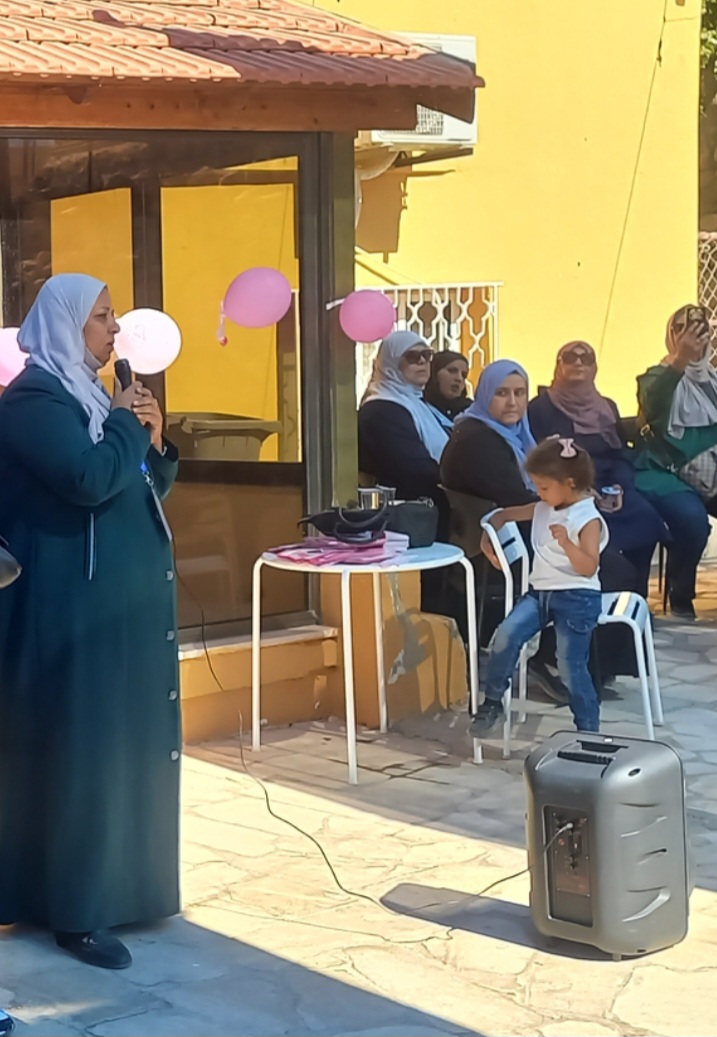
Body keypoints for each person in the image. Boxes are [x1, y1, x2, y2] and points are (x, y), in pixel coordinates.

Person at [0, 274, 181, 969]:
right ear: (66, 322)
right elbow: (85, 479)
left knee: (123, 750)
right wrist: (124, 425)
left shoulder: (91, 396)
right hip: (65, 612)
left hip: (114, 608)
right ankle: (75, 910)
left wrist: (153, 442)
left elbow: (134, 485)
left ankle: (128, 889)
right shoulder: (34, 399)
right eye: (102, 317)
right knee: (81, 754)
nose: (114, 330)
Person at [471, 438, 607, 737]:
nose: (538, 492)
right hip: (539, 593)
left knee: (570, 666)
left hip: (577, 596)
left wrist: (567, 543)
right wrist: (488, 534)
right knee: (505, 636)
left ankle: (588, 731)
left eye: (543, 487)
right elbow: (502, 515)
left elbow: (588, 567)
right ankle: (492, 702)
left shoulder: (587, 518)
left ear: (569, 483)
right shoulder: (544, 506)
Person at [529, 340, 667, 598]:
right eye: (570, 357)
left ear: (594, 368)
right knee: (597, 532)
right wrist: (581, 490)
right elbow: (543, 459)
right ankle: (599, 597)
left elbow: (619, 453)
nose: (578, 363)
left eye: (586, 358)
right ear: (558, 365)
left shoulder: (606, 406)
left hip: (610, 484)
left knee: (646, 519)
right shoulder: (541, 407)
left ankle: (635, 599)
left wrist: (619, 487)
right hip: (570, 490)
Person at [635, 305, 717, 619]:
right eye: (683, 328)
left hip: (708, 472)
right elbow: (653, 404)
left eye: (699, 328)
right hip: (664, 472)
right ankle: (681, 594)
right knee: (693, 521)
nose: (692, 336)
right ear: (672, 335)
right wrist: (680, 360)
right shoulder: (656, 376)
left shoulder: (712, 381)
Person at [358, 330, 449, 520]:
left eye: (427, 355)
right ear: (391, 362)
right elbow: (414, 468)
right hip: (406, 516)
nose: (423, 362)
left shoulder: (417, 403)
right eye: (413, 357)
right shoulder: (381, 409)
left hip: (428, 509)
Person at [423, 350, 471, 425]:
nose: (459, 378)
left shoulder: (471, 413)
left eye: (464, 375)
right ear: (434, 374)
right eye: (452, 371)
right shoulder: (419, 408)